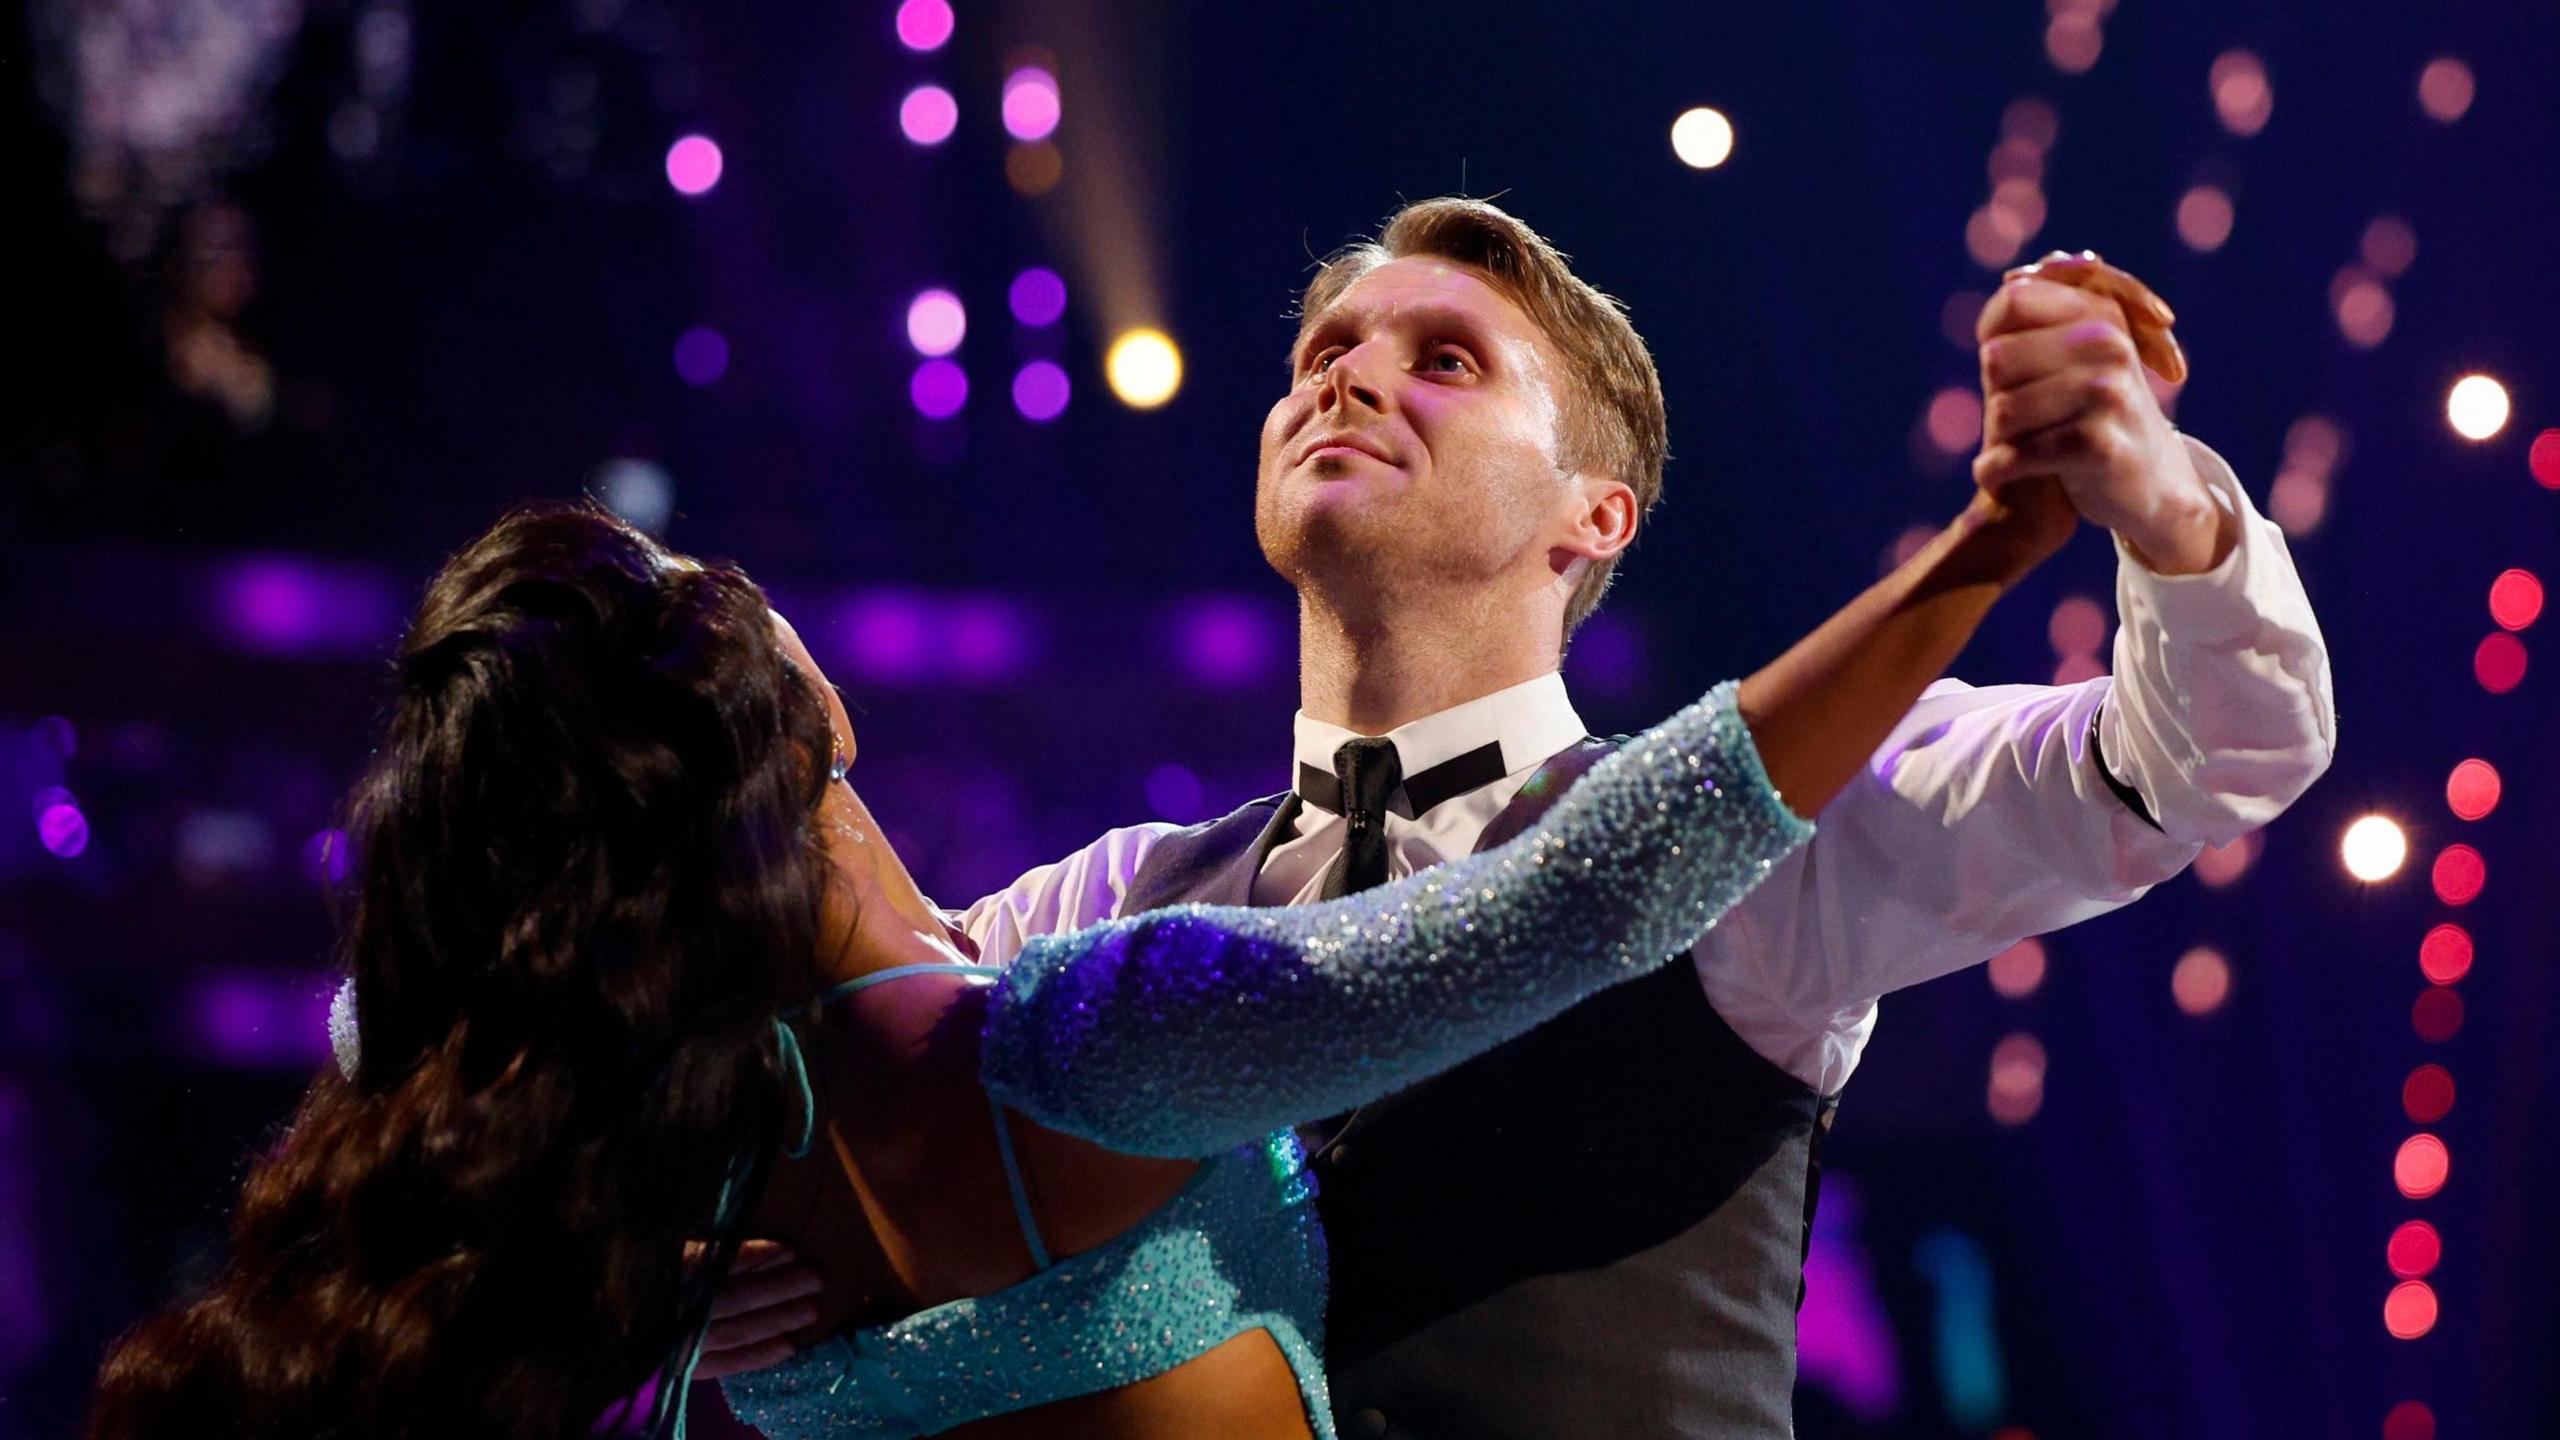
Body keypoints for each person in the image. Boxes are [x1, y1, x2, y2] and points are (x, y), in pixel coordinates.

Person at [713, 200, 2334, 1438]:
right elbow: (821, 1094)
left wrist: (2161, 499)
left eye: (1445, 358)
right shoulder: (1112, 900)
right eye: (1325, 351)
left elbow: (2201, 762)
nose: (1352, 372)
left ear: (1594, 515)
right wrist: (712, 1265)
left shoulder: (1758, 840)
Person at [85, 457, 2061, 1440]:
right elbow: (1596, 889)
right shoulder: (1098, 1036)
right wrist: (1967, 563)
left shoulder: (685, 1167)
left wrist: (642, 1286)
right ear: (797, 720)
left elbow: (393, 1016)